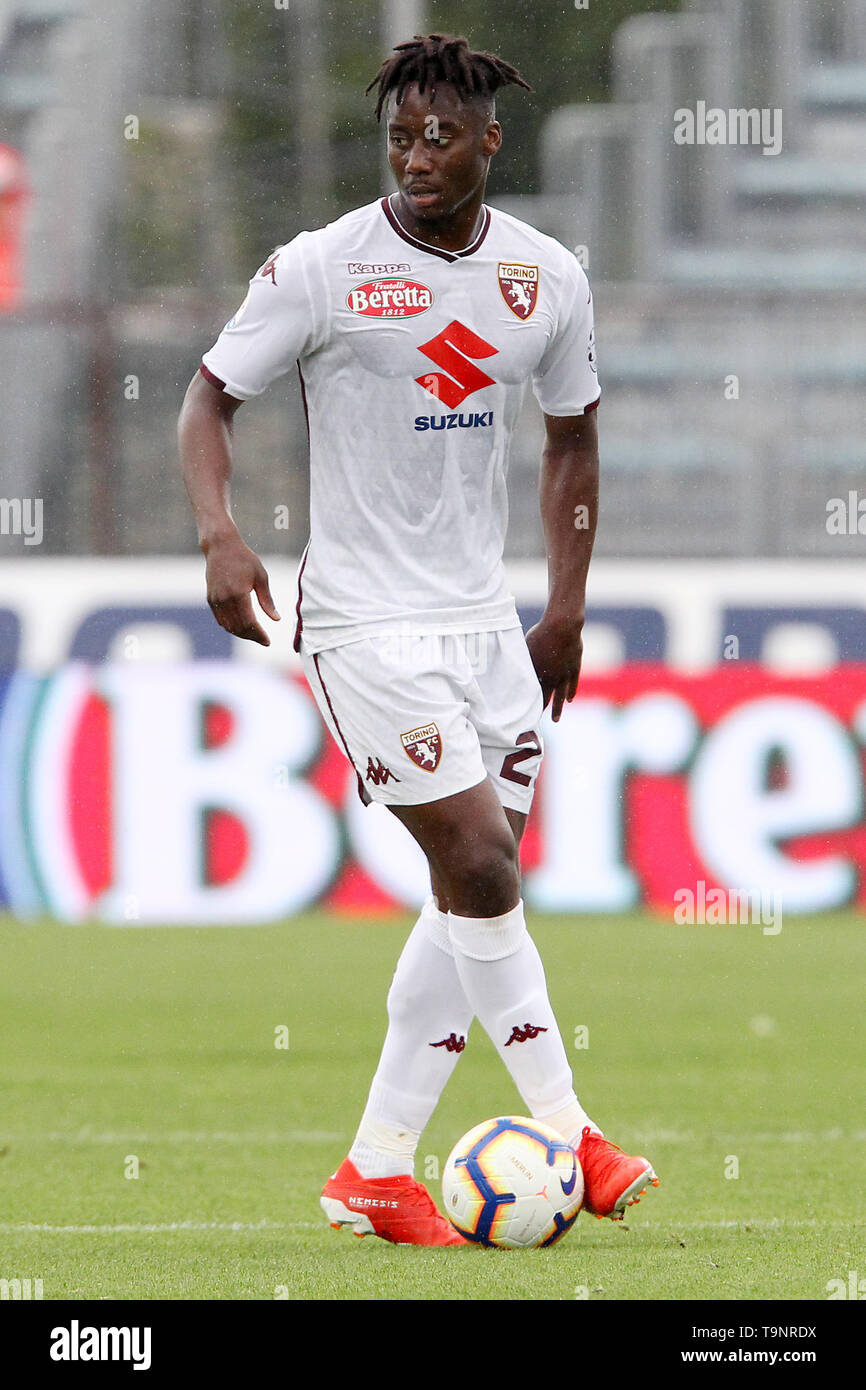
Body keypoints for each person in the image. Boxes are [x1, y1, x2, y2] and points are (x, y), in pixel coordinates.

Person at [178, 33, 658, 1247]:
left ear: (489, 140)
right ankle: (570, 1131)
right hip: (362, 623)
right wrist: (218, 535)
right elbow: (206, 397)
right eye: (400, 136)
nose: (416, 156)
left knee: (466, 898)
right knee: (483, 866)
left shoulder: (545, 277)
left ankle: (377, 1166)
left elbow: (572, 443)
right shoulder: (322, 267)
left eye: (440, 135)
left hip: (486, 624)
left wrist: (563, 607)